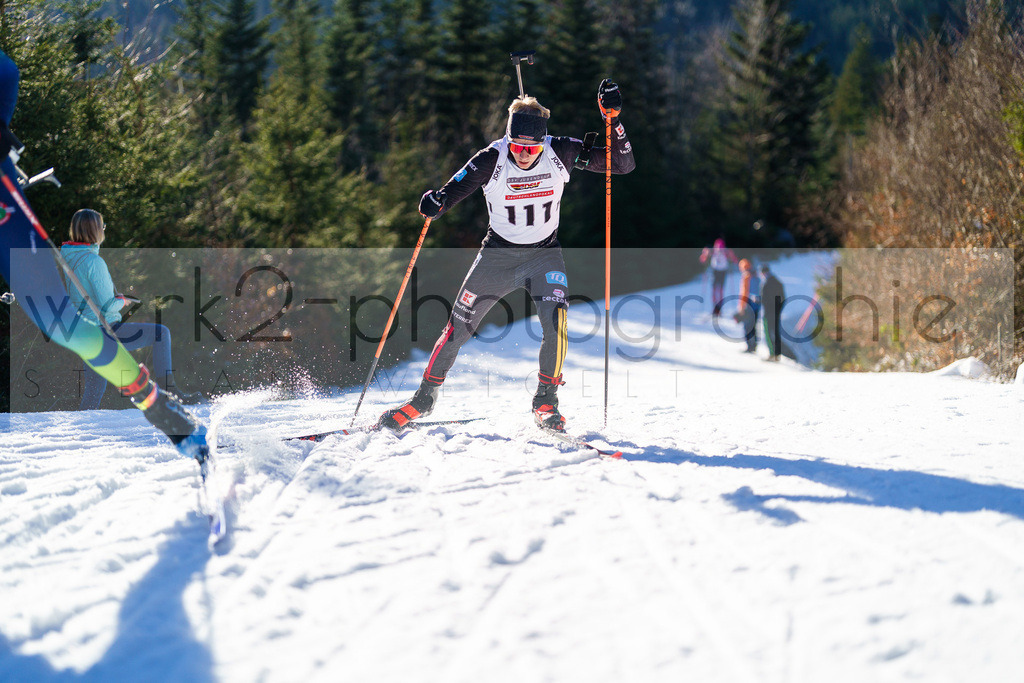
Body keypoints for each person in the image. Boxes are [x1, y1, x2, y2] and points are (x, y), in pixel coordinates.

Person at [378, 79, 636, 433]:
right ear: (508, 138)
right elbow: (453, 190)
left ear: (542, 141)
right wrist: (436, 202)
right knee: (457, 328)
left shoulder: (560, 151)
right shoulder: (493, 158)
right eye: (517, 145)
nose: (524, 154)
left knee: (557, 324)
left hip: (544, 256)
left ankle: (546, 401)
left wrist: (613, 120)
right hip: (497, 256)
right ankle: (424, 398)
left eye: (531, 148)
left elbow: (622, 165)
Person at [0, 49, 207, 461]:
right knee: (93, 333)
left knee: (74, 333)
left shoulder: (70, 254)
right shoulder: (91, 261)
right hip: (98, 320)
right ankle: (158, 400)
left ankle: (145, 405)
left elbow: (8, 73)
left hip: (8, 203)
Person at [60, 209, 201, 409]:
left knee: (93, 393)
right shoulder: (94, 262)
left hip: (86, 334)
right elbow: (107, 305)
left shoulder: (69, 258)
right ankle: (171, 393)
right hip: (105, 331)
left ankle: (79, 428)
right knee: (161, 334)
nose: (104, 230)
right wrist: (122, 301)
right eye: (102, 226)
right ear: (95, 230)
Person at [759, 264, 795, 362]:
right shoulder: (778, 282)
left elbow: (764, 300)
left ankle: (772, 354)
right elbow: (783, 298)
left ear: (762, 273)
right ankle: (777, 354)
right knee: (776, 333)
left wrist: (757, 300)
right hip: (776, 312)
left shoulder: (766, 284)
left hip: (768, 313)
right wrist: (779, 310)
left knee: (768, 333)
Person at [700, 237, 737, 317]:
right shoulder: (712, 251)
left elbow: (734, 259)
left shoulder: (726, 251)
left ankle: (719, 309)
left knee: (720, 290)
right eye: (718, 248)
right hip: (715, 271)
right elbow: (702, 259)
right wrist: (705, 253)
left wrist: (732, 256)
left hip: (723, 271)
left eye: (721, 248)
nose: (719, 250)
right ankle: (715, 308)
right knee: (714, 290)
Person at [732, 258, 760, 353]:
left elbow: (744, 293)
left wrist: (741, 306)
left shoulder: (746, 277)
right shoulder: (756, 275)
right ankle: (754, 345)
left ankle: (750, 346)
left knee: (747, 326)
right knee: (754, 325)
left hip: (748, 305)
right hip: (757, 305)